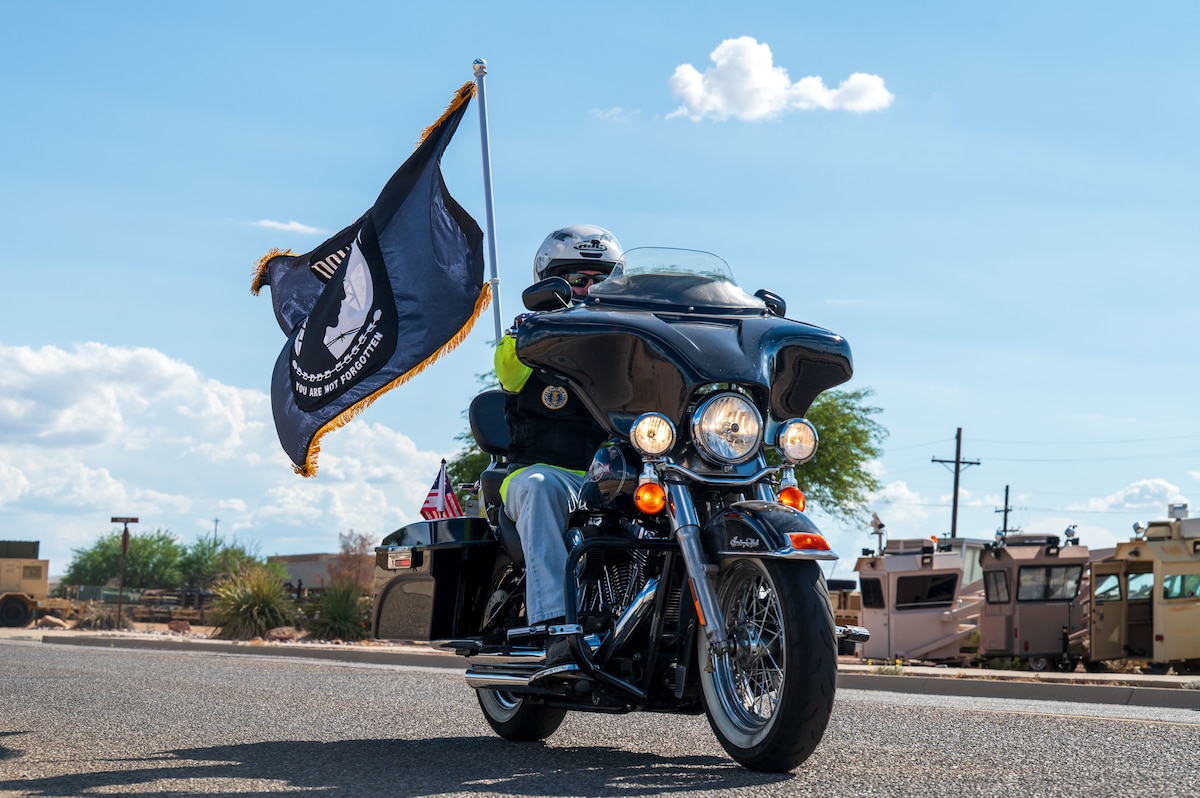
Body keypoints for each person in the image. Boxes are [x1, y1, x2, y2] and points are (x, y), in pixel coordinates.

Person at [493, 224, 623, 662]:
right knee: (540, 486)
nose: (589, 288)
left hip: (614, 479)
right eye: (576, 279)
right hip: (546, 474)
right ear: (549, 281)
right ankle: (553, 628)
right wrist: (540, 326)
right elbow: (509, 374)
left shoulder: (634, 345)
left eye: (600, 278)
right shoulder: (530, 332)